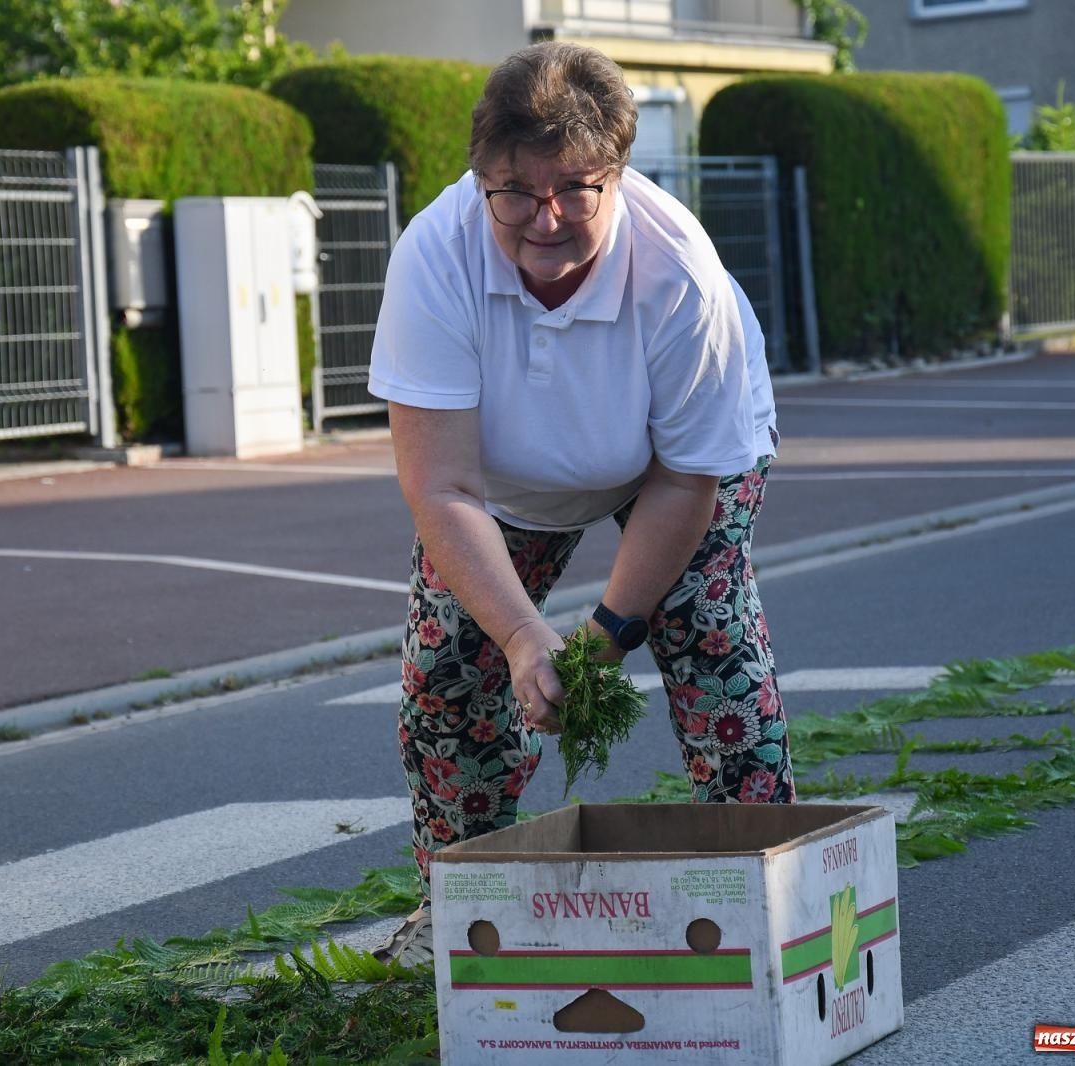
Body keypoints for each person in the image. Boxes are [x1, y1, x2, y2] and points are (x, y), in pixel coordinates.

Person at [365, 41, 794, 967]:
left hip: (673, 463)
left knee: (710, 639)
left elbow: (686, 478)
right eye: (515, 190)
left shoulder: (680, 269)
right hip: (502, 487)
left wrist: (607, 632)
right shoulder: (435, 258)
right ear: (482, 178)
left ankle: (765, 892)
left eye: (575, 188)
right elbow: (438, 485)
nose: (544, 218)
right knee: (447, 676)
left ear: (619, 175)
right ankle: (461, 905)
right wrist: (523, 637)